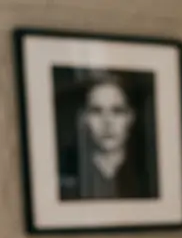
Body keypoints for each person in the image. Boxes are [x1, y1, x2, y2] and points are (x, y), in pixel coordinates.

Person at [58, 72, 156, 200]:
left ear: (130, 118)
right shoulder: (66, 177)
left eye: (117, 111)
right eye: (97, 111)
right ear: (84, 119)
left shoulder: (150, 175)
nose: (107, 122)